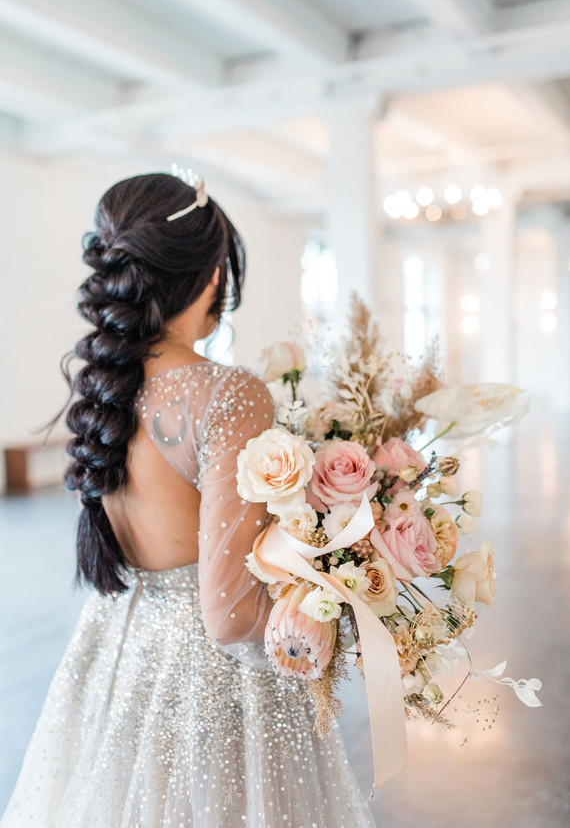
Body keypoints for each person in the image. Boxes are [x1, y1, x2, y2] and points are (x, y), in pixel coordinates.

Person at [0, 173, 377, 827]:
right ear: (211, 279)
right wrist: (327, 602)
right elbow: (229, 613)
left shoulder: (103, 388)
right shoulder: (227, 392)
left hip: (119, 652)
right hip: (216, 682)